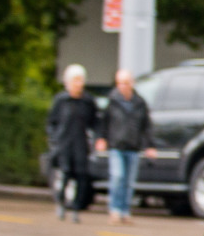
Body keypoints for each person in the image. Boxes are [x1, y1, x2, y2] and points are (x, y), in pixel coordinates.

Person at [95, 69, 157, 224]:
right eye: (120, 83)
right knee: (117, 177)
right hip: (116, 146)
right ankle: (115, 209)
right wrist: (101, 138)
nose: (122, 86)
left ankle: (125, 211)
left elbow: (146, 126)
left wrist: (150, 145)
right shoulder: (112, 100)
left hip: (133, 147)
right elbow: (104, 121)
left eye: (125, 83)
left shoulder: (140, 102)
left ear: (132, 83)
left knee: (129, 182)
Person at [46, 64, 100, 223]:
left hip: (81, 145)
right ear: (68, 82)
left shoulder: (88, 101)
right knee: (65, 175)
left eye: (80, 80)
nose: (78, 84)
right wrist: (54, 138)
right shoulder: (61, 100)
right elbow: (51, 122)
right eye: (75, 80)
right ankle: (61, 203)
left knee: (82, 177)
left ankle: (76, 208)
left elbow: (95, 123)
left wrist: (97, 139)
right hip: (64, 144)